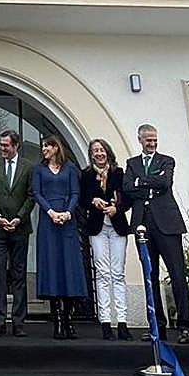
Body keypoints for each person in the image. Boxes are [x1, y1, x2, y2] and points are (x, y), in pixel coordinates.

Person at [123, 123, 189, 344]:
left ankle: (184, 326)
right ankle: (157, 326)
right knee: (150, 276)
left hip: (168, 224)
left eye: (154, 140)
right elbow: (127, 187)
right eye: (148, 140)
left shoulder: (166, 160)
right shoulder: (132, 163)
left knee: (177, 274)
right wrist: (148, 183)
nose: (152, 144)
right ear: (140, 140)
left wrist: (141, 181)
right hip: (143, 224)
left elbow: (165, 182)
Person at [32, 135, 87, 340]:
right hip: (48, 222)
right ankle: (57, 320)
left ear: (56, 148)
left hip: (67, 221)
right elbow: (37, 193)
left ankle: (68, 319)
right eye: (43, 146)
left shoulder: (70, 168)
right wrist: (51, 212)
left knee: (68, 267)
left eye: (47, 146)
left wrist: (68, 213)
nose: (44, 149)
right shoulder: (38, 170)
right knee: (52, 267)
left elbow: (75, 193)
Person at [0, 129, 34, 338]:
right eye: (1, 145)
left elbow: (31, 195)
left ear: (16, 146)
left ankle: (19, 322)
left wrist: (19, 218)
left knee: (19, 275)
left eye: (6, 145)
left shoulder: (28, 167)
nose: (2, 148)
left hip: (20, 228)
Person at [80, 138, 132, 341]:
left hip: (117, 226)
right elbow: (82, 199)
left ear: (107, 152)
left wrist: (116, 208)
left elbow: (127, 198)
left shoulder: (119, 173)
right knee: (102, 274)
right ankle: (105, 322)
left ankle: (122, 322)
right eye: (95, 151)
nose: (99, 153)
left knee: (118, 273)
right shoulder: (86, 175)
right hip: (97, 227)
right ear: (91, 155)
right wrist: (93, 200)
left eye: (102, 150)